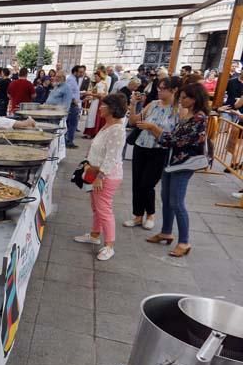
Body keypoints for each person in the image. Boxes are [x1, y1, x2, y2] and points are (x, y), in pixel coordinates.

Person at [144, 83, 210, 258]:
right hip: (172, 162)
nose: (181, 101)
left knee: (177, 203)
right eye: (180, 97)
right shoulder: (187, 115)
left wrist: (153, 128)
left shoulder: (199, 118)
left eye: (184, 98)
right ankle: (166, 232)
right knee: (166, 199)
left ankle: (184, 241)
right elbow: (172, 139)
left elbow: (175, 140)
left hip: (183, 164)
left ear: (194, 99)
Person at [73, 93, 128, 261]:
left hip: (106, 176)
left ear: (113, 109)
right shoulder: (107, 126)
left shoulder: (117, 130)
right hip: (95, 172)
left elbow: (111, 157)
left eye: (104, 105)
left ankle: (109, 245)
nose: (100, 107)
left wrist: (100, 177)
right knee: (97, 207)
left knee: (104, 209)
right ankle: (95, 234)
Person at [126, 76, 180, 230]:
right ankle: (137, 215)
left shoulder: (178, 110)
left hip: (159, 151)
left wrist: (152, 127)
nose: (159, 91)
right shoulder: (153, 104)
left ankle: (150, 214)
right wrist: (133, 104)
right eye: (158, 88)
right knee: (137, 182)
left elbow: (174, 136)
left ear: (173, 90)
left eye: (163, 88)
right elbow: (133, 121)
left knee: (147, 184)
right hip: (141, 146)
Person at [83, 67, 109, 138]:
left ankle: (92, 132)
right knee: (92, 117)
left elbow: (100, 94)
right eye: (95, 76)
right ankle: (90, 132)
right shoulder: (100, 83)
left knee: (93, 117)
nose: (95, 78)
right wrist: (89, 96)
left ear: (100, 76)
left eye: (96, 76)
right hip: (96, 101)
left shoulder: (101, 84)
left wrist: (89, 94)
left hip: (98, 102)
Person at [65, 66, 83, 149]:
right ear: (75, 72)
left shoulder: (74, 79)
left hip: (73, 104)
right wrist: (73, 100)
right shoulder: (71, 80)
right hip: (72, 105)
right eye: (80, 72)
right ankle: (69, 141)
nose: (82, 74)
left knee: (71, 124)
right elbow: (69, 92)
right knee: (72, 124)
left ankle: (68, 140)